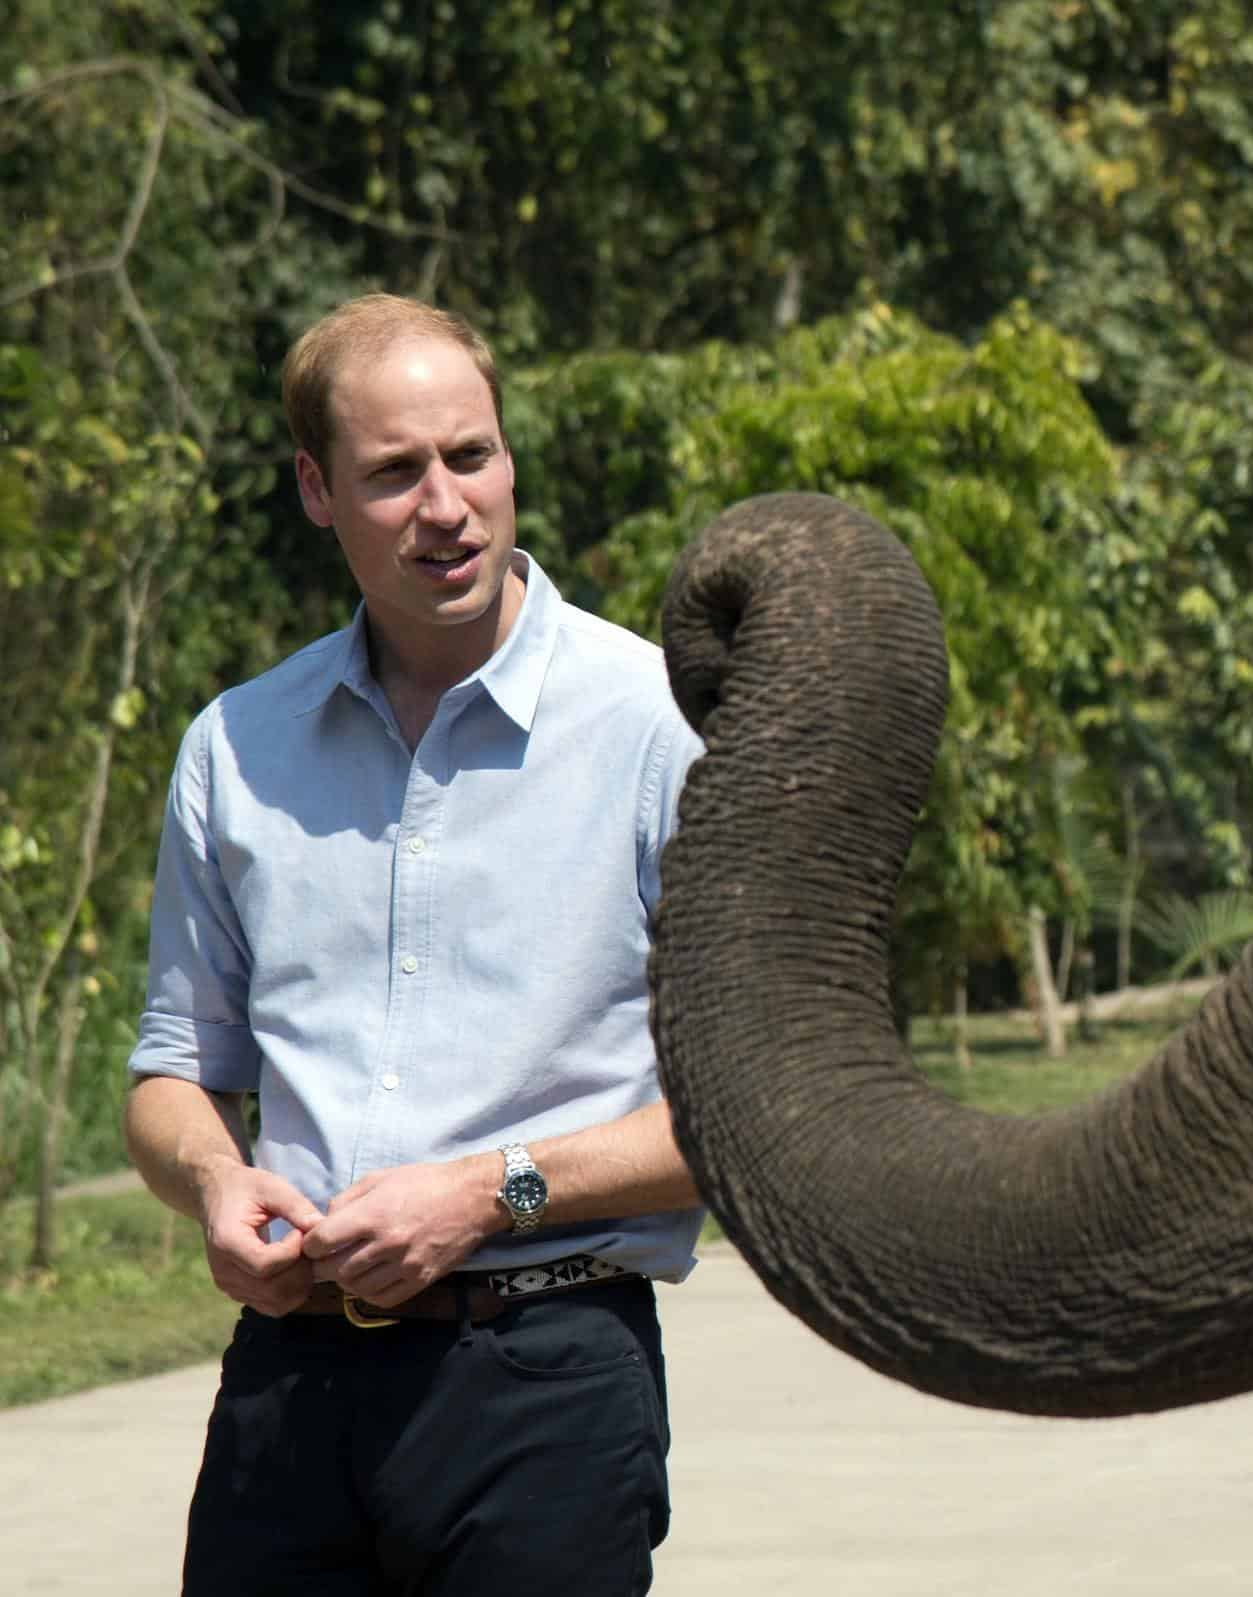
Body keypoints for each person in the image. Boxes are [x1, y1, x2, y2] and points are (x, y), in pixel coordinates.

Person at [123, 293, 707, 1595]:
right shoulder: (236, 747)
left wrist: (487, 1189)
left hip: (546, 1375)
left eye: (471, 455)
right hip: (289, 1384)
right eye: (394, 473)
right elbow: (171, 1076)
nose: (446, 504)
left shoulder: (659, 726)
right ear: (316, 489)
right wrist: (217, 1185)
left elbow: (738, 1110)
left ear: (508, 458)